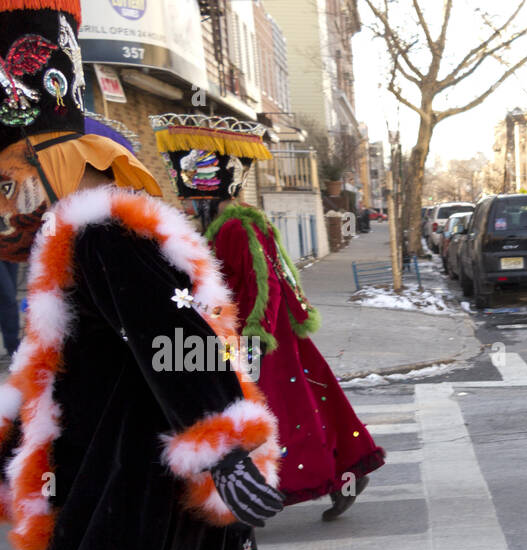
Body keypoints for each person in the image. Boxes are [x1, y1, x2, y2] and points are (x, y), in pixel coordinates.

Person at [0, 1, 323, 550]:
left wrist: (222, 444)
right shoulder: (72, 231)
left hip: (135, 475)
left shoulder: (101, 227)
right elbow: (58, 365)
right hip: (137, 461)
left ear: (47, 162)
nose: (1, 200)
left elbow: (175, 337)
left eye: (7, 179)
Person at [151, 113, 385, 519]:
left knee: (283, 417)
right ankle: (346, 469)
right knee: (314, 404)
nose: (187, 203)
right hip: (254, 338)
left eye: (191, 196)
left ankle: (273, 490)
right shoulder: (226, 227)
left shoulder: (237, 227)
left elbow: (266, 284)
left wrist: (255, 337)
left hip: (264, 341)